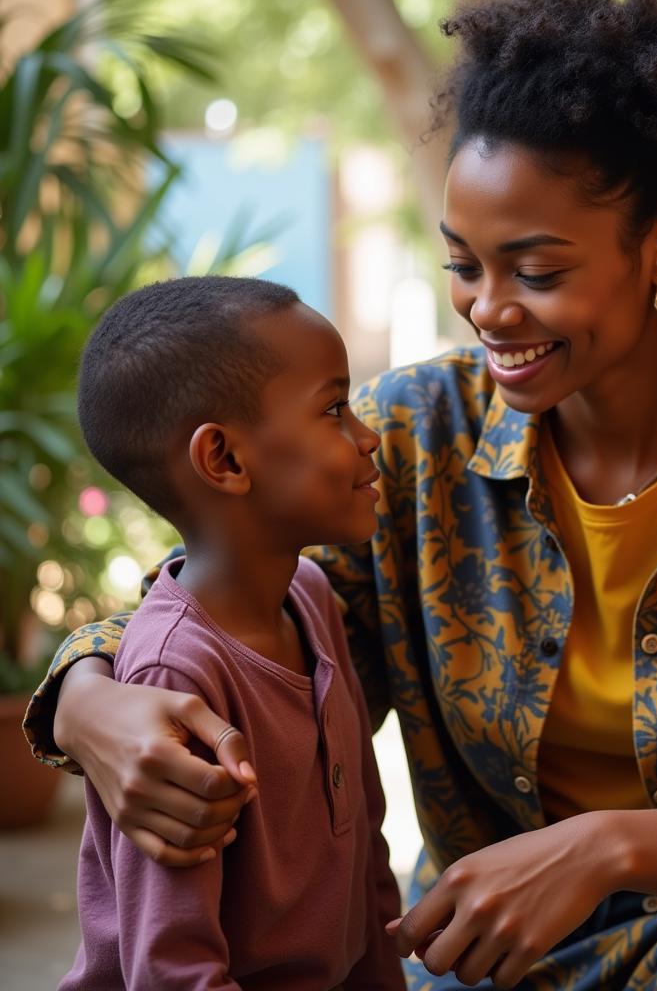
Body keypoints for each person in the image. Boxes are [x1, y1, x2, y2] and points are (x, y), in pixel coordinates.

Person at [27, 0, 657, 988]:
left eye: (534, 270)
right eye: (464, 265)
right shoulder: (410, 437)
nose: (488, 310)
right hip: (492, 962)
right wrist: (88, 697)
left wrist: (605, 848)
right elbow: (246, 611)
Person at [57, 277, 405, 990]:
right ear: (225, 460)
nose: (368, 437)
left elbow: (368, 852)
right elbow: (173, 968)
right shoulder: (174, 680)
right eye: (335, 410)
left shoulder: (311, 597)